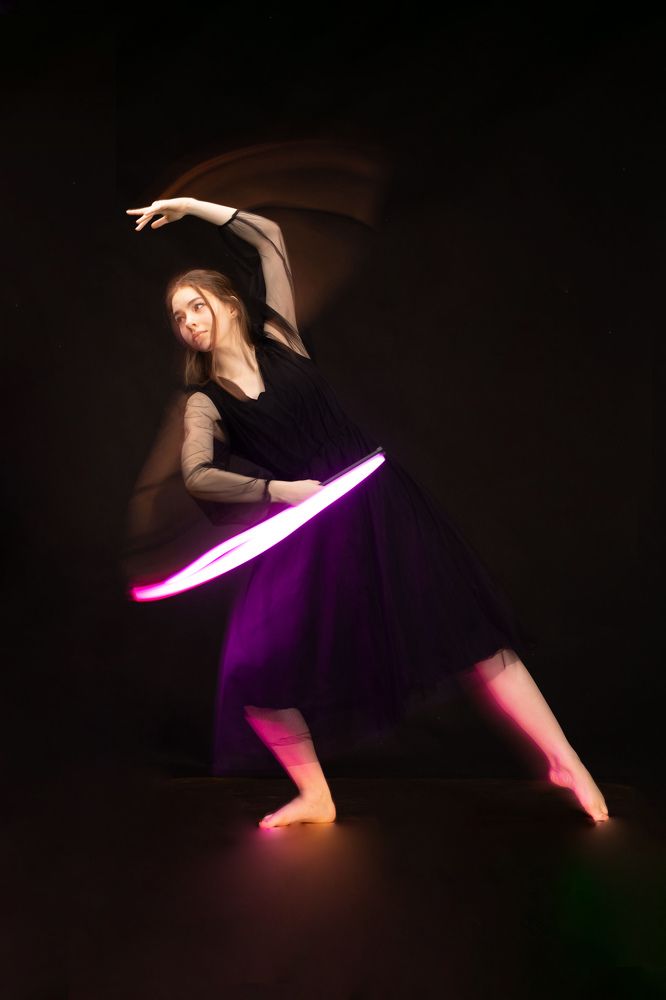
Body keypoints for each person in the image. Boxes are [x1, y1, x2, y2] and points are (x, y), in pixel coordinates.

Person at [126, 197, 610, 828]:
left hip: (380, 505)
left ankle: (567, 762)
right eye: (179, 316)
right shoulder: (205, 402)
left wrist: (191, 206)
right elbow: (198, 475)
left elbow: (267, 238)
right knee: (253, 671)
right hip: (309, 532)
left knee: (474, 633)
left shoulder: (281, 337)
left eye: (197, 305)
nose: (190, 321)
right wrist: (280, 491)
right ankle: (316, 796)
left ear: (230, 304)